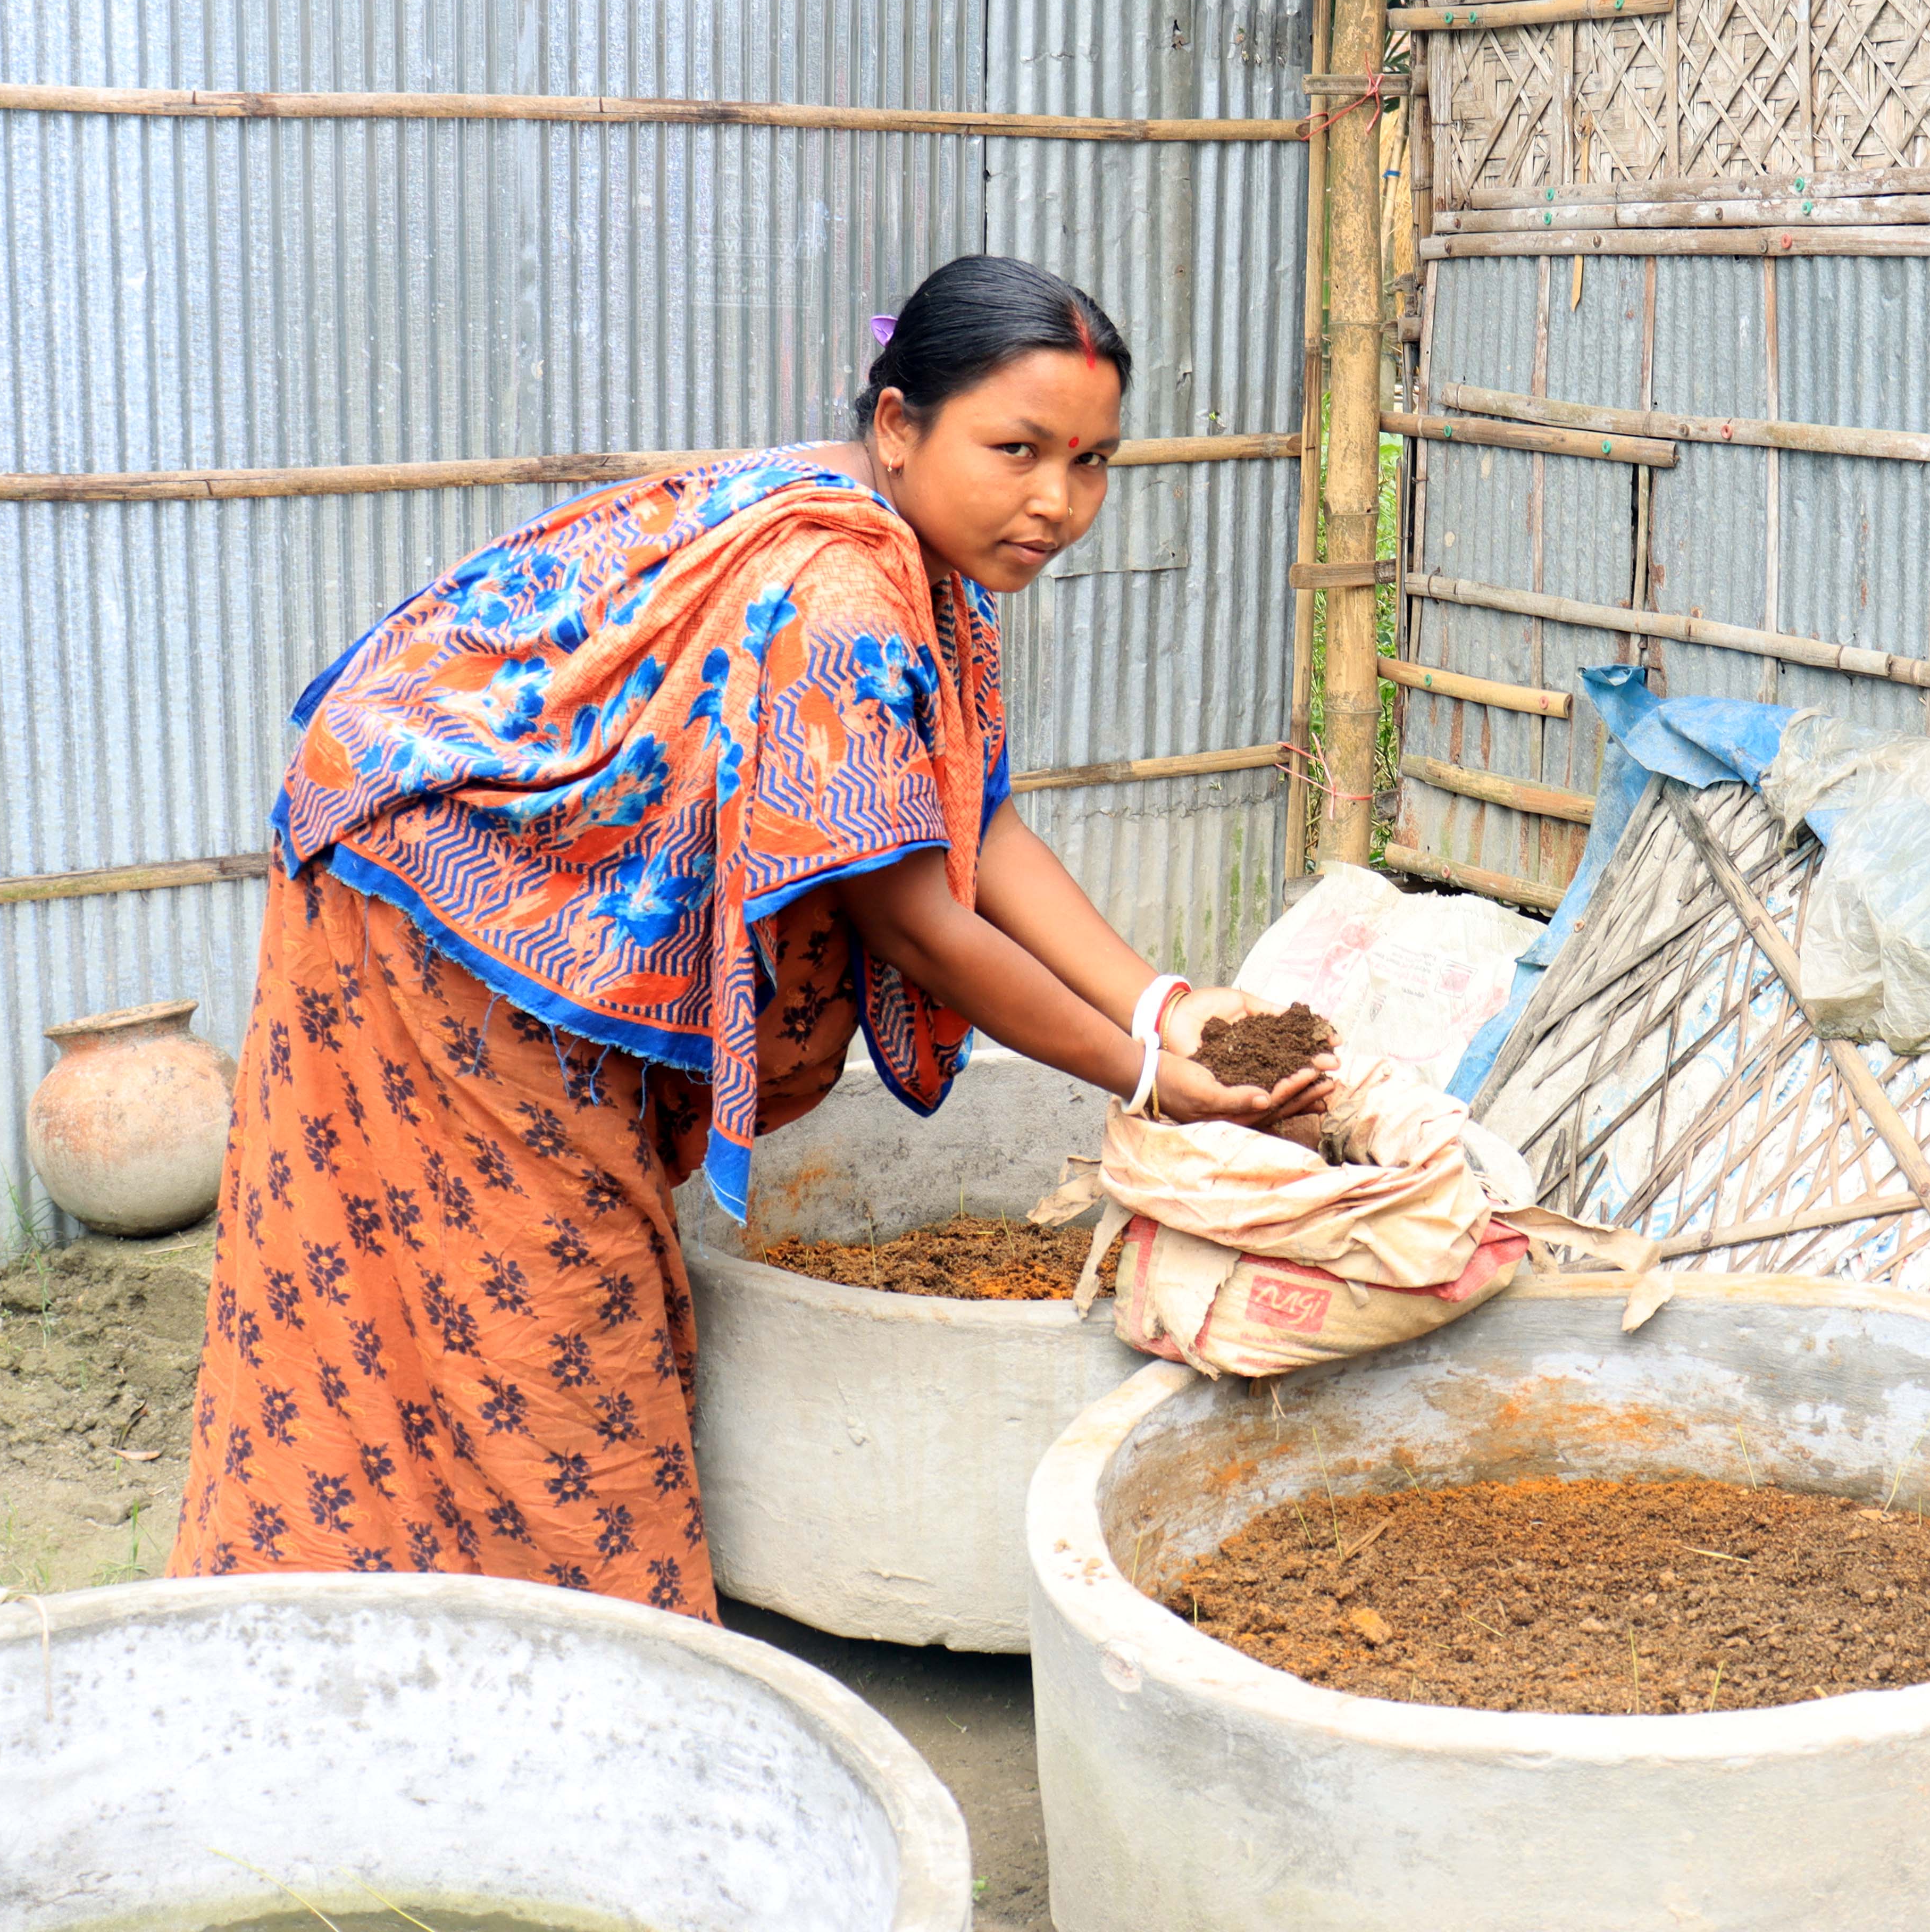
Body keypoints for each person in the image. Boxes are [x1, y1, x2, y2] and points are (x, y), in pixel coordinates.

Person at [172, 255, 1325, 1610]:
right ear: (899, 423)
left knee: (497, 1298)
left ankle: (426, 1626)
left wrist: (1165, 1003)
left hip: (483, 873)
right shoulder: (841, 598)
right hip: (434, 898)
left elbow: (972, 817)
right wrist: (1150, 1081)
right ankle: (550, 1670)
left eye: (1093, 461)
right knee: (548, 1320)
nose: (1058, 502)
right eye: (1017, 450)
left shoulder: (921, 564)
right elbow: (918, 921)